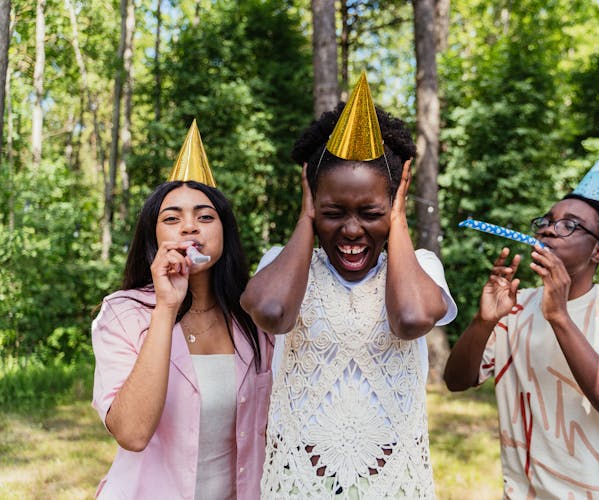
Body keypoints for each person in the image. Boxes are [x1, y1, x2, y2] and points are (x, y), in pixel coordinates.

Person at [241, 72, 457, 498]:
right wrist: (306, 220)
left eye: (371, 212)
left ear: (395, 202)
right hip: (301, 482)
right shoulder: (283, 264)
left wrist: (396, 220)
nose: (353, 229)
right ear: (311, 203)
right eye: (333, 211)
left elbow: (411, 319)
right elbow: (272, 313)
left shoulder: (421, 266)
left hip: (392, 483)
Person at [444, 158, 599, 498]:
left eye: (570, 226)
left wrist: (559, 315)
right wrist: (484, 321)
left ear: (598, 252)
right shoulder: (515, 306)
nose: (548, 229)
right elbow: (456, 381)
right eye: (547, 221)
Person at [91, 120, 273, 499]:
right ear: (153, 237)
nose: (190, 227)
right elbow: (133, 433)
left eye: (205, 217)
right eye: (172, 218)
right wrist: (166, 307)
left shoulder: (257, 321)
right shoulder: (123, 313)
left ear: (225, 232)